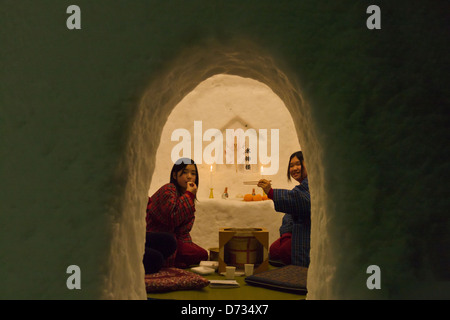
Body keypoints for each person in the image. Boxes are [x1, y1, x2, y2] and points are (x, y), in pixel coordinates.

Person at [145, 158, 208, 270]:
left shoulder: (185, 196)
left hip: (176, 239)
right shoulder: (169, 189)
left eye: (193, 173)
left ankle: (176, 258)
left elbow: (184, 231)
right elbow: (172, 218)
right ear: (175, 175)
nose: (189, 176)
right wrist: (189, 195)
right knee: (173, 246)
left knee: (202, 254)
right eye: (185, 172)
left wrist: (188, 246)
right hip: (157, 235)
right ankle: (174, 258)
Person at [257, 151, 311, 268]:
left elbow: (300, 200)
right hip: (294, 232)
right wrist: (286, 234)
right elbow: (289, 214)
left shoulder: (311, 184)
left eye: (298, 164)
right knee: (274, 250)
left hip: (307, 234)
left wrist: (270, 192)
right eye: (291, 166)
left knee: (284, 251)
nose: (294, 168)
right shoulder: (302, 187)